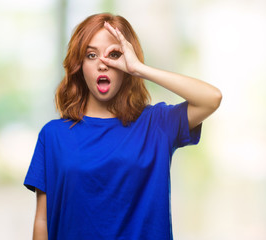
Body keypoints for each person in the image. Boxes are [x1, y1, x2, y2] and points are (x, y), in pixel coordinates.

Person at [24, 13, 222, 240]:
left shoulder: (157, 124)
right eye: (91, 55)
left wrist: (139, 68)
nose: (102, 64)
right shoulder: (53, 136)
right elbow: (42, 220)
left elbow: (211, 98)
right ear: (79, 65)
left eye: (114, 54)